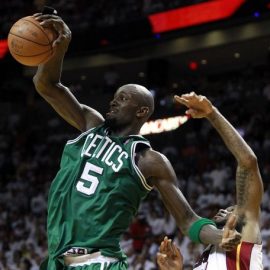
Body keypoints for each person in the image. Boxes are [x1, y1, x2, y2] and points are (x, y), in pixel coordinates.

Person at [32, 13, 241, 270]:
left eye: (123, 98)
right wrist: (60, 46)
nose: (113, 102)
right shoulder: (91, 124)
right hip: (57, 261)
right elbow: (46, 84)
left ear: (141, 111)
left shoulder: (149, 160)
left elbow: (188, 220)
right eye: (115, 97)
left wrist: (221, 236)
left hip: (98, 263)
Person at [157, 92, 264, 269]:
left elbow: (248, 163)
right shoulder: (208, 255)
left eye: (231, 209)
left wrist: (212, 114)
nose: (223, 210)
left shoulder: (246, 235)